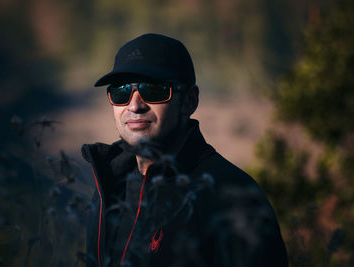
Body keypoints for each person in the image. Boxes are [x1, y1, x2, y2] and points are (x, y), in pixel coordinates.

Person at [81, 33, 288, 267]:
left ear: (190, 100)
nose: (134, 105)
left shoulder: (233, 198)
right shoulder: (108, 188)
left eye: (154, 89)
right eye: (121, 91)